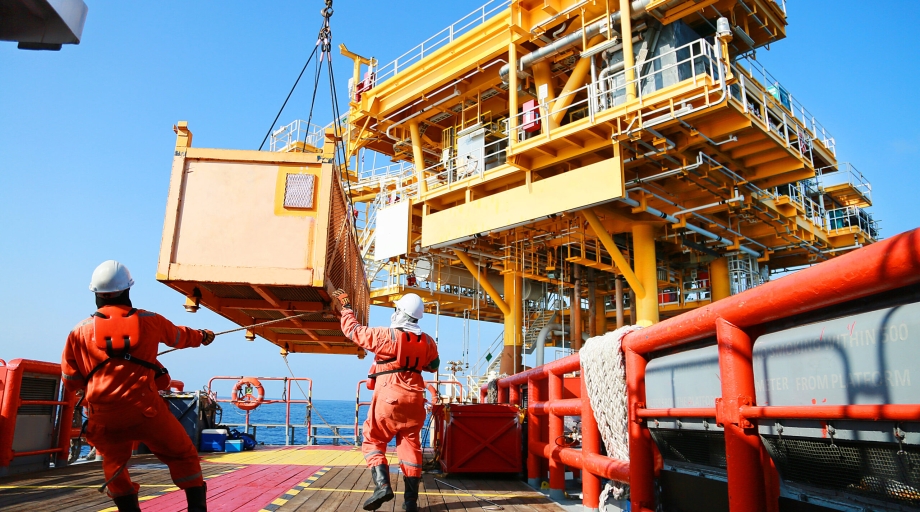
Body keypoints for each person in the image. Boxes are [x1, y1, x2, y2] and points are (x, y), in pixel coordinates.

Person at [61, 260, 215, 512]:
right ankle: (196, 508)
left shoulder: (78, 332)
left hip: (104, 417)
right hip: (147, 412)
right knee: (183, 454)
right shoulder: (150, 320)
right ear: (127, 289)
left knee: (114, 464)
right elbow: (180, 336)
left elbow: (71, 381)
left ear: (96, 293)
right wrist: (203, 335)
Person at [333, 290, 439, 512]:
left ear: (400, 312)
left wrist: (346, 307)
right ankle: (410, 502)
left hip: (389, 399)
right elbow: (434, 365)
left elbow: (353, 330)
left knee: (373, 440)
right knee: (410, 448)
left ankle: (382, 486)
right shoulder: (428, 341)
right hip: (415, 401)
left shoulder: (387, 336)